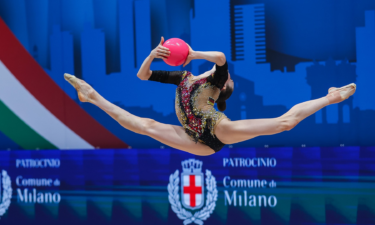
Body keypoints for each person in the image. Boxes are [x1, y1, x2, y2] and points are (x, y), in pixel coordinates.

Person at [64, 37, 356, 156]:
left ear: (222, 87)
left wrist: (193, 54)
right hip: (195, 139)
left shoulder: (216, 78)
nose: (229, 77)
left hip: (216, 130)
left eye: (228, 79)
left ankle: (330, 97)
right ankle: (91, 96)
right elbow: (143, 76)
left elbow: (219, 56)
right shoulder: (184, 77)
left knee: (284, 124)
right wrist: (152, 56)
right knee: (144, 125)